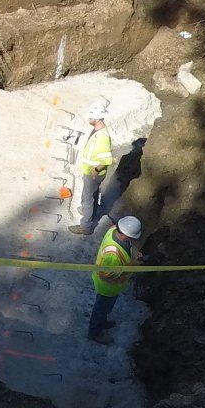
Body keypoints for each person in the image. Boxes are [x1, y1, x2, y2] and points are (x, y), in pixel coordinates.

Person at [87, 215, 143, 343]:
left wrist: (134, 253)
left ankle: (103, 321)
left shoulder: (114, 229)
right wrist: (132, 266)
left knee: (106, 307)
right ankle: (94, 333)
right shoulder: (113, 254)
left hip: (114, 287)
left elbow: (128, 245)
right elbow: (106, 276)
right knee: (100, 309)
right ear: (125, 235)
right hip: (107, 287)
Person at [69, 100, 115, 236]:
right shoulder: (97, 130)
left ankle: (86, 227)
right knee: (92, 195)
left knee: (87, 199)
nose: (88, 119)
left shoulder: (102, 137)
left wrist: (95, 170)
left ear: (97, 117)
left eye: (90, 117)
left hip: (93, 173)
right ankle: (91, 211)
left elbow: (106, 160)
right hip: (91, 171)